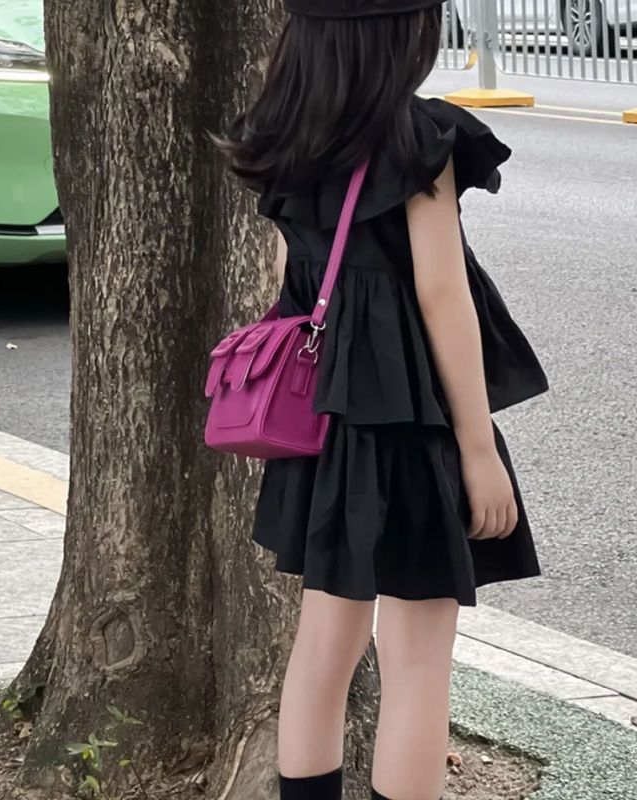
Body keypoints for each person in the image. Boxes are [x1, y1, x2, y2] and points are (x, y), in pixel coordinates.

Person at [214, 1, 549, 799]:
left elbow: (297, 281)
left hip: (323, 424)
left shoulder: (287, 132)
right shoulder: (413, 139)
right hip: (409, 422)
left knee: (322, 645)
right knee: (418, 660)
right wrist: (477, 451)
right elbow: (442, 295)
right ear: (399, 33)